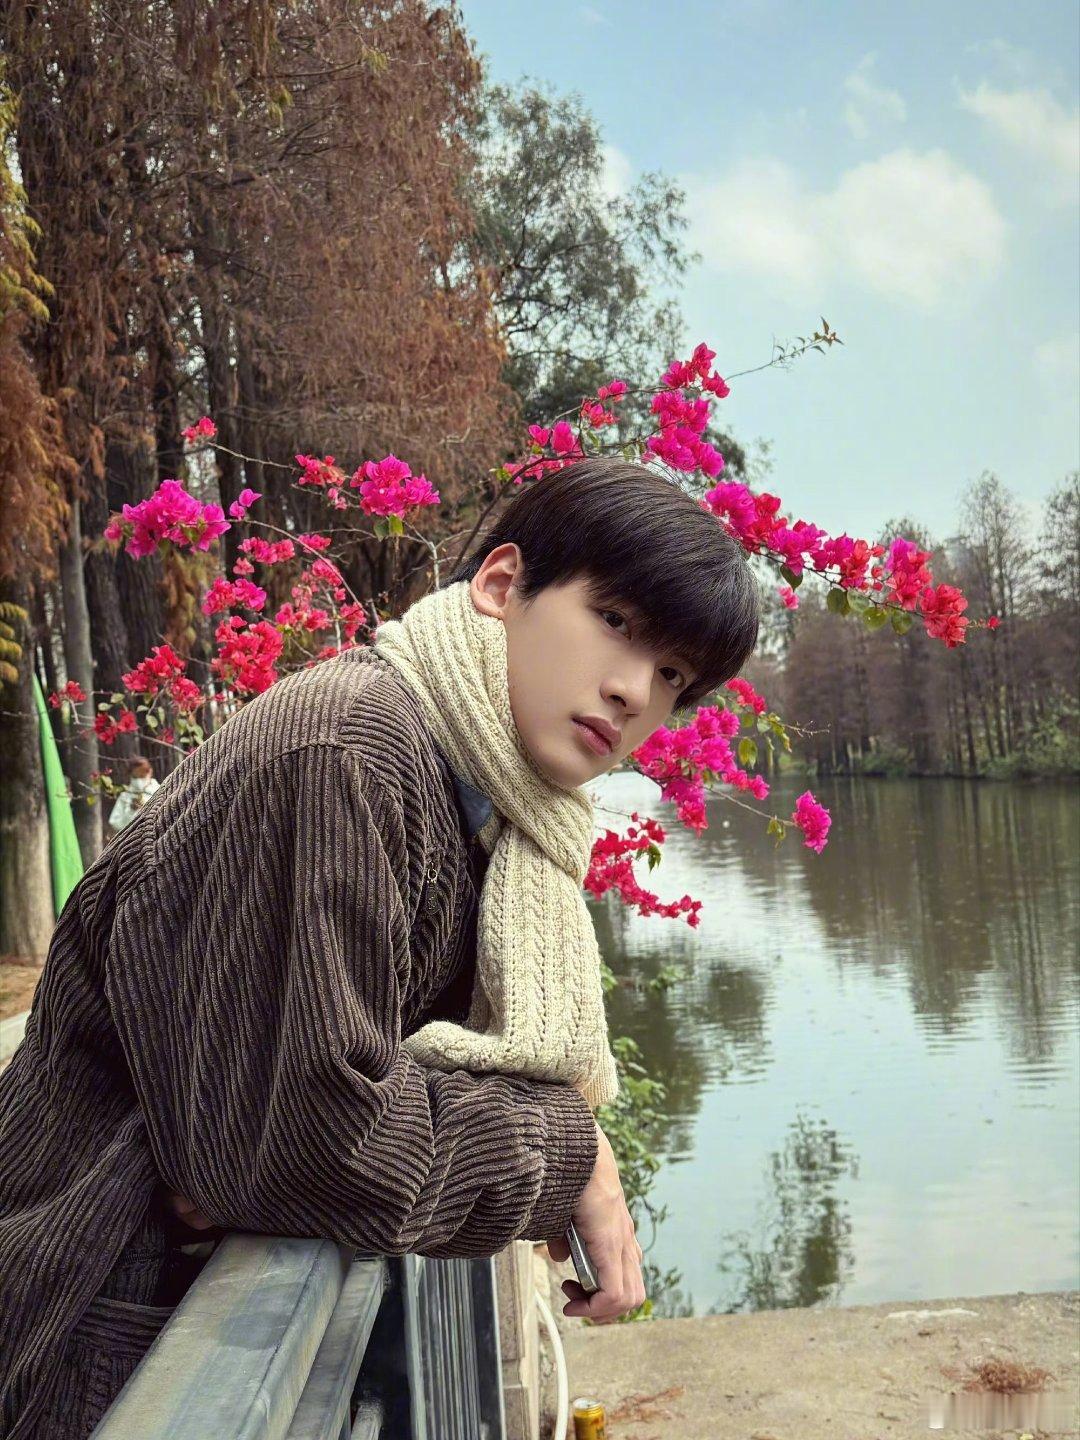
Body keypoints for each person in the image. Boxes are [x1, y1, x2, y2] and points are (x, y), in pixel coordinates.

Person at [0, 456, 760, 1439]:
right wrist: (567, 1154)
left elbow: (319, 1112)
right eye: (614, 621)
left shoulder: (479, 802)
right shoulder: (349, 751)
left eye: (671, 676)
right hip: (92, 1344)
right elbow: (312, 1146)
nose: (631, 691)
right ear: (500, 586)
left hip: (183, 1331)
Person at [106, 756, 160, 838]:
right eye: (135, 777)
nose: (138, 781)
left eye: (141, 777)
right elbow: (115, 823)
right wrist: (131, 811)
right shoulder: (125, 796)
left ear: (149, 772)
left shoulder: (159, 791)